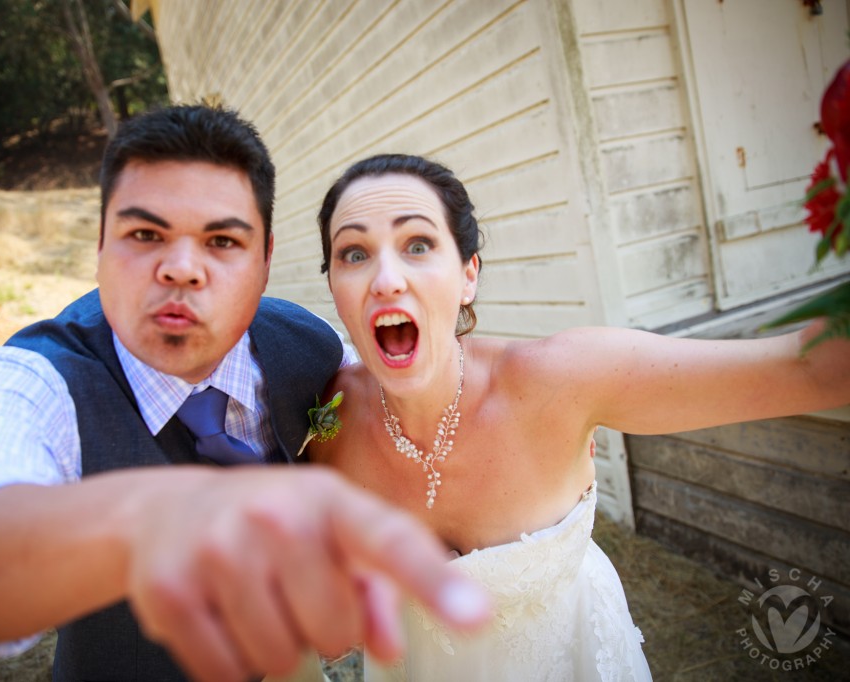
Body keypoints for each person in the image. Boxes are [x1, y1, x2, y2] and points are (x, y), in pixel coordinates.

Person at [0, 110, 492, 682]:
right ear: (101, 246)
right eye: (145, 234)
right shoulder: (35, 380)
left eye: (223, 241)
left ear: (265, 259)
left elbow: (395, 419)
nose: (183, 268)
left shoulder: (314, 345)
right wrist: (148, 522)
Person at [308, 153, 850, 681]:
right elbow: (328, 634)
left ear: (468, 274)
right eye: (354, 253)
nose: (386, 279)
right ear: (334, 286)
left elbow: (811, 370)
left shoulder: (556, 380)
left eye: (418, 244)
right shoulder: (325, 424)